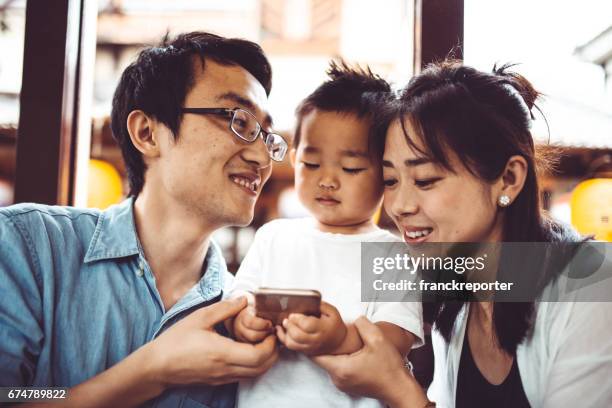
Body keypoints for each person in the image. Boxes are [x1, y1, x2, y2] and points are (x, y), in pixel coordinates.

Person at [0, 31, 289, 407]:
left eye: (266, 136)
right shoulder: (31, 246)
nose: (262, 159)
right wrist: (154, 370)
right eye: (238, 120)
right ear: (147, 133)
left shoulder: (244, 316)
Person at [313, 60, 612, 407]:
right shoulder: (457, 309)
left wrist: (399, 391)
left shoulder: (593, 285)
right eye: (391, 180)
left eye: (425, 180)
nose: (399, 206)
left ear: (509, 179)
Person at [227, 61, 424, 407]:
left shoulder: (394, 255)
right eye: (312, 164)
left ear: (385, 173)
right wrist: (244, 323)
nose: (327, 180)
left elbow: (394, 344)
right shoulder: (273, 237)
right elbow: (238, 302)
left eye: (350, 168)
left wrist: (340, 338)